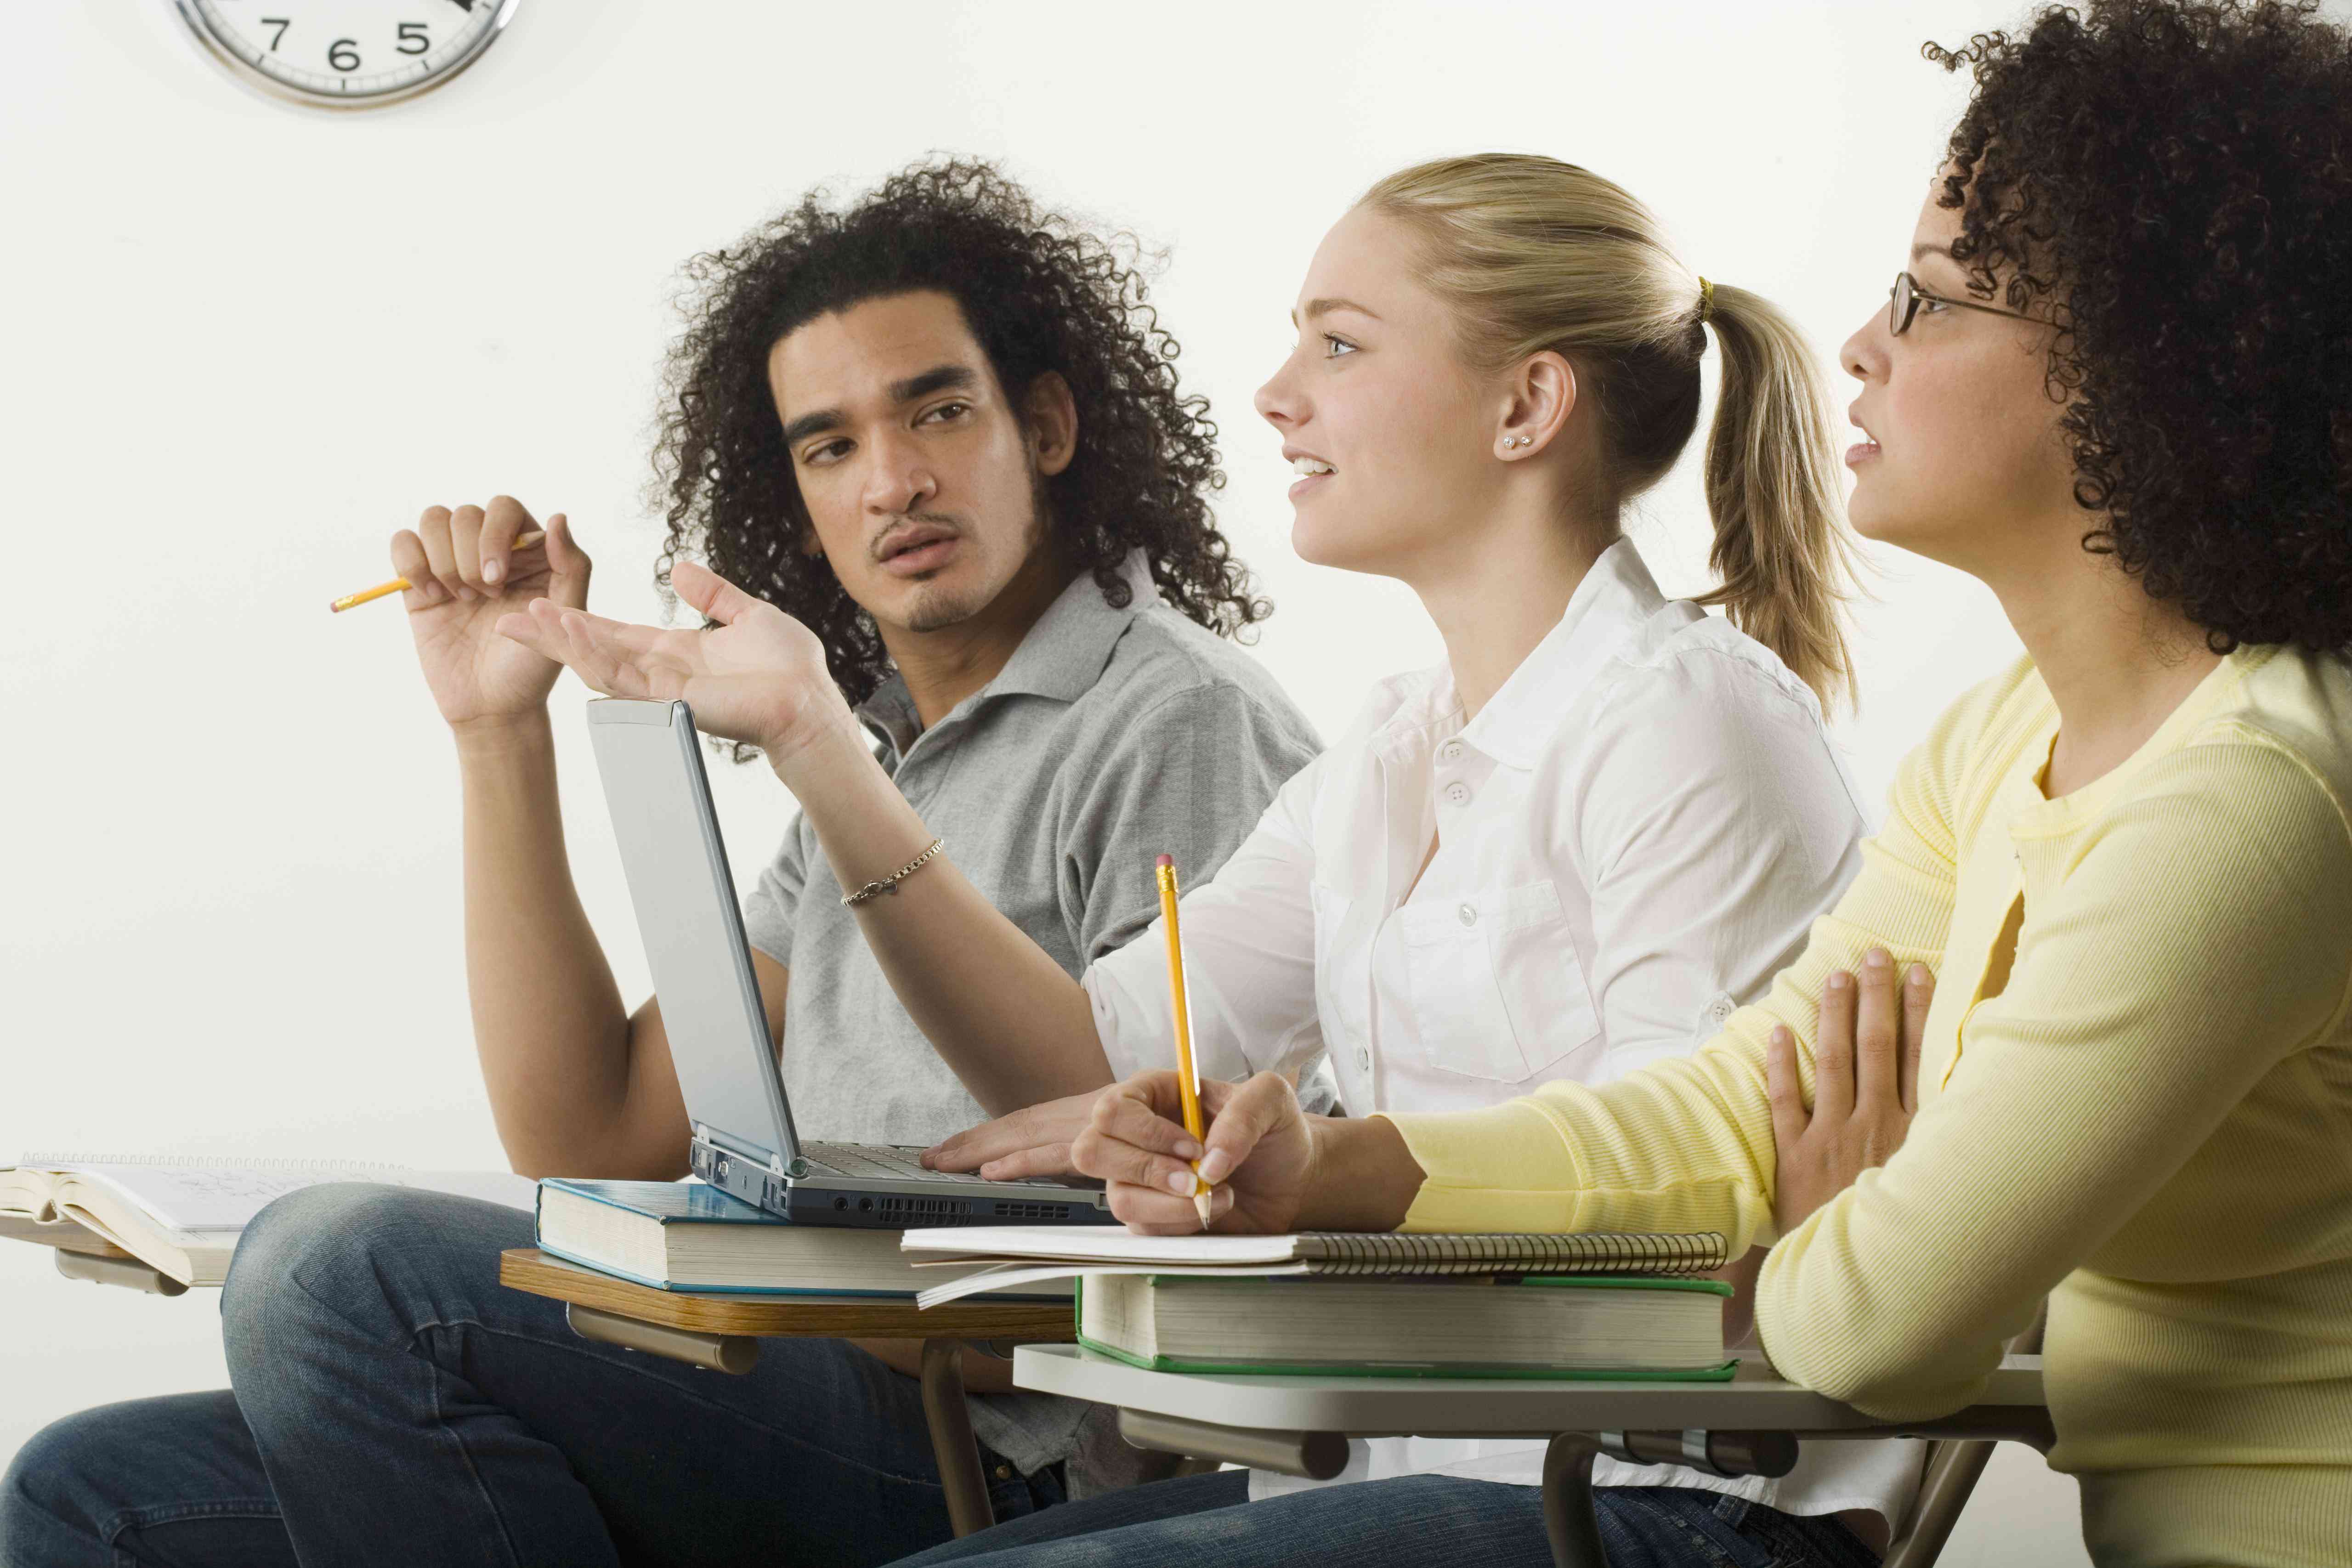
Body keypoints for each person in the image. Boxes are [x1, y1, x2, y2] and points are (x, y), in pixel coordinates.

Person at [1059, 3, 2352, 1564]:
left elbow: (1886, 1322)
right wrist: (1343, 1168)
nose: (1861, 346)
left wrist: (1786, 1250)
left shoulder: (2248, 809)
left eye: (1930, 303)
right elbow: (1741, 1106)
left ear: (2135, 374)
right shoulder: (2004, 737)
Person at [504, 151, 1918, 1561]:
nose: (1276, 392)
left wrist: (1314, 1176)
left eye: (1341, 343)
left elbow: (1693, 1229)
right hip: (1405, 1477)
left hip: (1659, 1504)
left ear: (1527, 405)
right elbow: (1095, 1056)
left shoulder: (1687, 725)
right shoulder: (1388, 755)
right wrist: (819, 740)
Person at [0, 159, 1321, 1568]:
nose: (893, 481)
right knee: (95, 1487)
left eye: (938, 409)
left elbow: (1180, 1184)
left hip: (1000, 1452)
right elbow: (597, 1134)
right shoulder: (881, 753)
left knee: (341, 1273)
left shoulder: (1172, 716)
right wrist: (499, 733)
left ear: (1046, 425)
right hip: (801, 1379)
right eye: (829, 447)